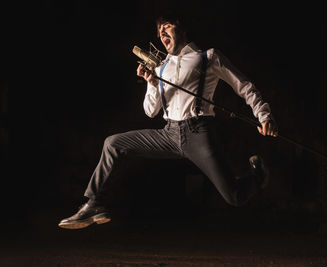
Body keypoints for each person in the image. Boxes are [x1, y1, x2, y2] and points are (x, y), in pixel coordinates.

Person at [58, 14, 278, 229]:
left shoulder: (208, 57)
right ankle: (94, 203)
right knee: (113, 143)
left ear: (181, 28)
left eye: (167, 26)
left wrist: (264, 115)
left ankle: (257, 176)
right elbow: (150, 112)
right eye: (159, 30)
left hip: (199, 133)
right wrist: (152, 83)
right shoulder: (161, 67)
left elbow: (244, 86)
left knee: (235, 196)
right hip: (169, 134)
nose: (161, 32)